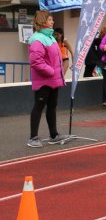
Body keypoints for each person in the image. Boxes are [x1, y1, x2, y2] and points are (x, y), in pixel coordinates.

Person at [27, 10, 68, 147]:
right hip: (44, 80)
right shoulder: (37, 39)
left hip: (53, 79)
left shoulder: (50, 37)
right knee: (38, 106)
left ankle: (54, 134)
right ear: (43, 21)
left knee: (52, 106)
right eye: (50, 20)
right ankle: (33, 138)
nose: (53, 22)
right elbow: (36, 61)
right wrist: (51, 72)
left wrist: (57, 73)